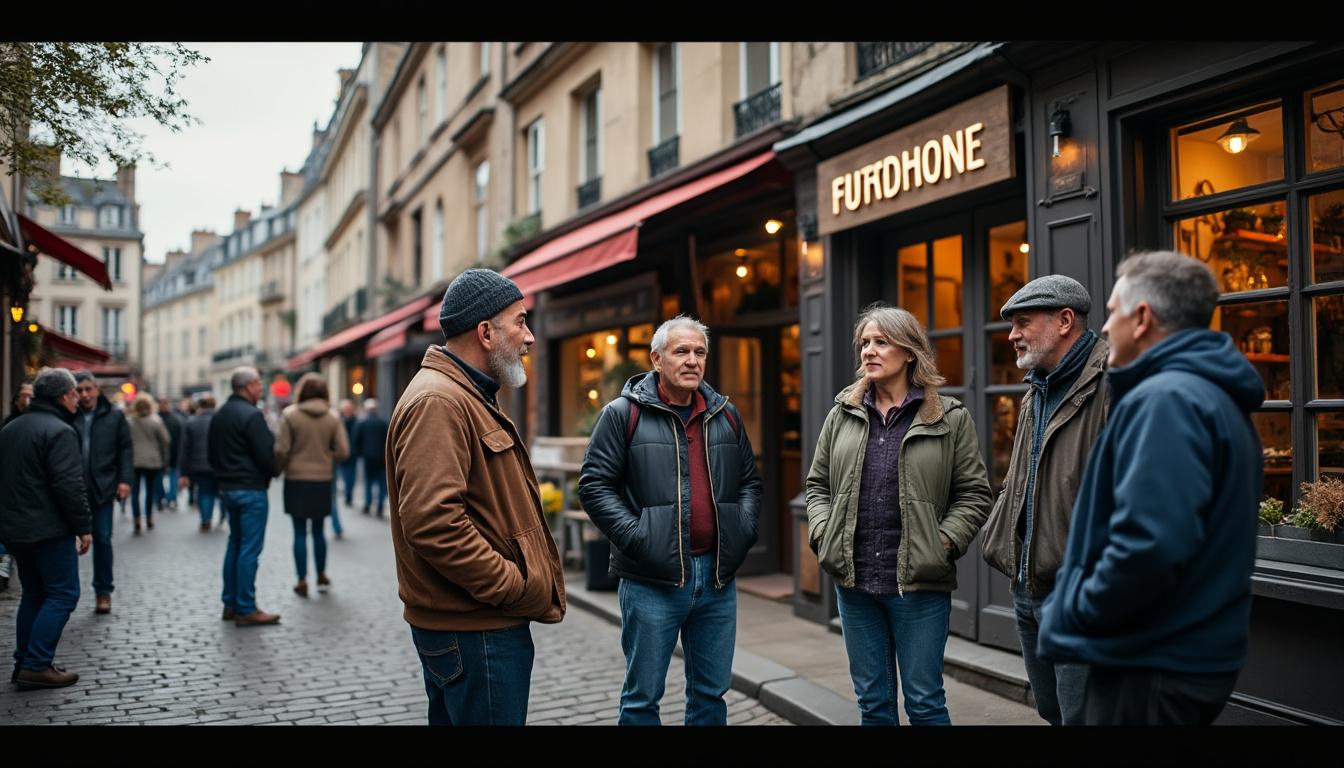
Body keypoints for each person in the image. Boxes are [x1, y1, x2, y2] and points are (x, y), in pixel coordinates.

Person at [1039, 251, 1264, 726]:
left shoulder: (1168, 399)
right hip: (1180, 653)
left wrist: (1074, 607)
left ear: (1142, 318)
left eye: (1113, 312)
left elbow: (1150, 545)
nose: (1102, 328)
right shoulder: (1205, 393)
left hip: (1153, 658)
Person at [387, 268, 565, 725]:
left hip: (475, 623)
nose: (529, 337)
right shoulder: (440, 401)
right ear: (485, 332)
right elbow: (432, 522)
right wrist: (511, 586)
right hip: (475, 627)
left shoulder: (465, 393)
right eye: (520, 322)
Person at [804, 304, 992, 726]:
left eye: (881, 342)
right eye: (864, 343)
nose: (869, 351)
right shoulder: (843, 413)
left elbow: (975, 494)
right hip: (855, 585)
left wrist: (941, 544)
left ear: (909, 352)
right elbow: (817, 487)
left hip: (919, 587)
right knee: (873, 705)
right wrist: (822, 532)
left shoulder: (949, 417)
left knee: (925, 703)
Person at [578, 315, 762, 726]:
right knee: (643, 698)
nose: (692, 360)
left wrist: (742, 530)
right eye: (682, 352)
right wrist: (639, 537)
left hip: (716, 579)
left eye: (700, 352)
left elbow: (749, 481)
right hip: (651, 583)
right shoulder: (622, 414)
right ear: (657, 359)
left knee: (711, 695)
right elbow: (594, 486)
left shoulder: (725, 414)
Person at [978, 276, 1110, 726]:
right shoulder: (1036, 389)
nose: (1012, 335)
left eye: (1023, 322)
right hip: (1027, 588)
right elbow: (1022, 481)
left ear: (1065, 320)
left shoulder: (1115, 384)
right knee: (1052, 710)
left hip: (1081, 595)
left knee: (1084, 717)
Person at [0, 368, 91, 690]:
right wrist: (84, 527)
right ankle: (36, 664)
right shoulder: (59, 430)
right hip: (48, 528)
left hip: (17, 528)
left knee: (34, 594)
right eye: (75, 393)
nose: (79, 399)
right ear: (63, 395)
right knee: (63, 594)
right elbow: (69, 485)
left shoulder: (12, 427)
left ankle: (25, 661)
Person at [208, 366, 280, 627]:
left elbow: (211, 453)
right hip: (250, 489)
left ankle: (230, 602)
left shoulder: (220, 414)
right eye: (259, 383)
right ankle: (246, 607)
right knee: (249, 549)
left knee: (235, 545)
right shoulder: (251, 416)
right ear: (248, 386)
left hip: (228, 488)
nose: (261, 388)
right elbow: (266, 456)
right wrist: (272, 472)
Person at [275, 373, 349, 598]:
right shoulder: (332, 417)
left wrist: (278, 469)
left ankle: (301, 579)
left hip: (296, 479)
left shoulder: (290, 415)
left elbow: (281, 450)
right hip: (322, 480)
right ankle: (321, 574)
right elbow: (344, 452)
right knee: (318, 530)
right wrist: (327, 457)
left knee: (299, 531)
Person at [72, 371, 132, 615]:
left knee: (103, 539)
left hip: (103, 487)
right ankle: (64, 594)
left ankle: (103, 592)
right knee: (67, 544)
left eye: (88, 389)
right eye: (79, 390)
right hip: (72, 489)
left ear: (96, 389)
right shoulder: (68, 415)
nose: (84, 394)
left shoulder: (114, 416)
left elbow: (125, 449)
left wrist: (125, 480)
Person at [0, 380, 32, 590]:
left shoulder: (41, 423)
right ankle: (4, 563)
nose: (28, 399)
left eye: (32, 395)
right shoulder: (8, 424)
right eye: (24, 395)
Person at [127, 393, 170, 535]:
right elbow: (166, 440)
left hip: (134, 460)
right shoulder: (155, 421)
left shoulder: (130, 422)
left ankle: (137, 520)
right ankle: (149, 518)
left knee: (135, 492)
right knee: (150, 491)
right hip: (152, 460)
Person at [179, 395, 219, 531]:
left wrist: (184, 472)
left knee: (204, 492)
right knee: (220, 492)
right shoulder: (219, 420)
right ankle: (223, 516)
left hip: (198, 465)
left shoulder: (191, 422)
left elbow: (185, 448)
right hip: (218, 464)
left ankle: (205, 519)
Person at [352, 398, 389, 517]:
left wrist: (359, 453)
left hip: (368, 457)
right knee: (381, 483)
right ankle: (379, 507)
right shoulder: (383, 423)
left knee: (368, 481)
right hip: (381, 457)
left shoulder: (363, 423)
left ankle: (368, 504)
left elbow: (356, 439)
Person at [157, 398, 184, 511]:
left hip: (162, 454)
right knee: (171, 477)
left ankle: (164, 498)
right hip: (170, 453)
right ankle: (170, 498)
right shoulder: (175, 419)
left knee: (161, 478)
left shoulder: (156, 419)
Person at [337, 398, 358, 508]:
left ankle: (349, 495)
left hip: (352, 453)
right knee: (345, 476)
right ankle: (347, 494)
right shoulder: (339, 421)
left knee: (350, 477)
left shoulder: (356, 421)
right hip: (342, 453)